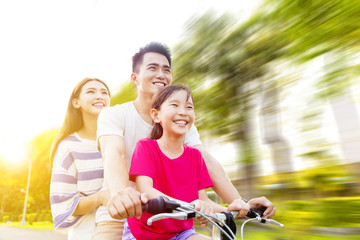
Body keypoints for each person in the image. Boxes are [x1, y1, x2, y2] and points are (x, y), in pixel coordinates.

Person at [95, 42, 275, 239]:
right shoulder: (115, 115)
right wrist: (121, 196)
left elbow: (207, 164)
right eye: (152, 68)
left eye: (166, 69)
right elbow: (115, 154)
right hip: (122, 213)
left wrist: (242, 204)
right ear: (135, 77)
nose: (161, 74)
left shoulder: (179, 123)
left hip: (176, 220)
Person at [127, 85, 227, 240]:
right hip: (143, 234)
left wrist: (232, 209)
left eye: (189, 107)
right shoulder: (146, 147)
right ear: (156, 115)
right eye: (174, 105)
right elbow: (146, 189)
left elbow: (203, 200)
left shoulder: (195, 156)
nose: (183, 112)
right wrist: (192, 206)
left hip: (181, 233)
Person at [50, 78, 112, 240]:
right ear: (76, 103)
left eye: (104, 92)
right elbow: (65, 202)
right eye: (91, 91)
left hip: (123, 229)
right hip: (86, 232)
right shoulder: (68, 147)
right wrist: (100, 197)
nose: (100, 96)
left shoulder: (119, 139)